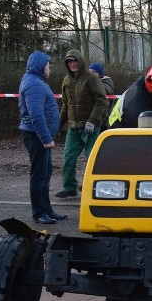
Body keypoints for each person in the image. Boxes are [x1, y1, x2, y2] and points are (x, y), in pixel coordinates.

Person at [18, 51, 66, 224]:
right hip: (36, 136)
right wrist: (46, 139)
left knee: (45, 173)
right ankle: (38, 213)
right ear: (40, 66)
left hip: (39, 135)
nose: (49, 68)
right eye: (47, 65)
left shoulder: (36, 81)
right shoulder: (34, 84)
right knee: (39, 174)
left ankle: (47, 209)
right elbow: (36, 115)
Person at [55, 50, 108, 199]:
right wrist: (58, 125)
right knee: (68, 159)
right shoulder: (66, 80)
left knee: (92, 159)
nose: (72, 64)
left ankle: (94, 187)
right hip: (73, 128)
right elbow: (66, 105)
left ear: (80, 61)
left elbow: (101, 100)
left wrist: (92, 121)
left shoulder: (91, 78)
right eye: (69, 61)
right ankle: (70, 188)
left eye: (75, 61)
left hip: (90, 128)